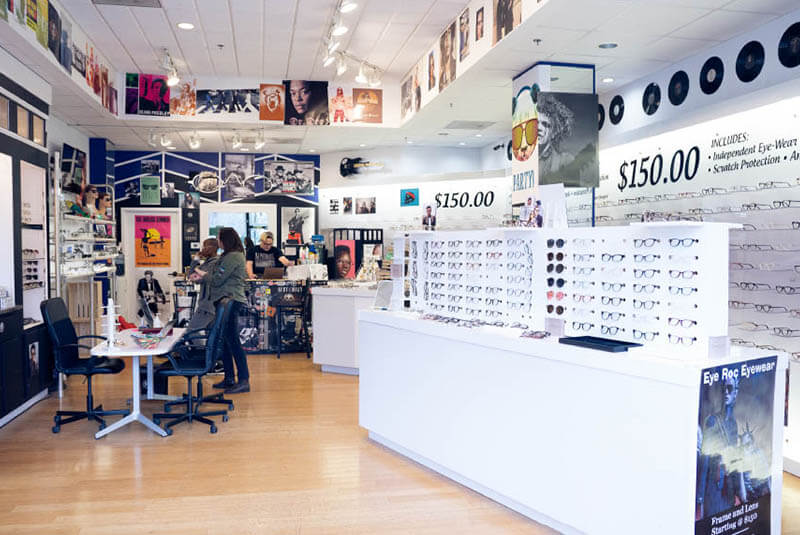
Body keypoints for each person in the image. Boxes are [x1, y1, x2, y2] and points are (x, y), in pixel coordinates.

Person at [192, 227, 249, 394]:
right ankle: (230, 378)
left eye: (219, 238)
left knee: (233, 340)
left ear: (226, 240)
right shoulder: (228, 255)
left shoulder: (233, 257)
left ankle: (244, 379)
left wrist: (201, 273)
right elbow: (217, 274)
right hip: (223, 301)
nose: (218, 242)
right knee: (224, 340)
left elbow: (217, 280)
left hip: (230, 301)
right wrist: (202, 273)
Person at [537, 92, 576, 177]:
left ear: (554, 132)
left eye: (545, 124)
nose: (538, 128)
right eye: (535, 123)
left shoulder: (564, 161)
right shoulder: (524, 160)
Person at [186, 238, 219, 333]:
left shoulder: (215, 263)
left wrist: (196, 270)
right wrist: (196, 260)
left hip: (208, 306)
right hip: (205, 304)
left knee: (191, 331)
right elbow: (191, 276)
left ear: (211, 248)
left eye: (204, 246)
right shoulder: (207, 262)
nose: (202, 249)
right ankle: (203, 348)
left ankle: (198, 348)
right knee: (209, 334)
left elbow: (201, 277)